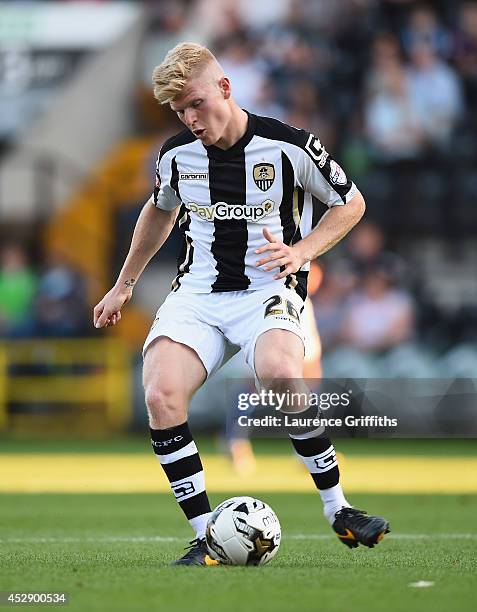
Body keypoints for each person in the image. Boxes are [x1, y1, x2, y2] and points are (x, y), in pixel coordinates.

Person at [93, 42, 389, 566]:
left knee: (279, 372)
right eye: (178, 110)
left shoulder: (290, 146)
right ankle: (208, 535)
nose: (189, 119)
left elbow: (352, 203)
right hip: (199, 296)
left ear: (224, 89)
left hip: (267, 291)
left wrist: (301, 251)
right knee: (161, 394)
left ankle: (338, 510)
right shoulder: (175, 156)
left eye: (195, 104)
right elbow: (157, 213)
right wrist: (124, 284)